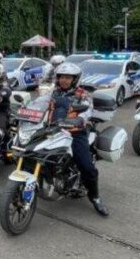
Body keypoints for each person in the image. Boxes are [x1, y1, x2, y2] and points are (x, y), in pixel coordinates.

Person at [49, 62, 108, 217]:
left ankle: (94, 196)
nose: (64, 80)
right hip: (52, 130)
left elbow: (87, 110)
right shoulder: (53, 92)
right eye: (61, 77)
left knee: (87, 167)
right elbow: (41, 104)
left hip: (75, 132)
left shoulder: (83, 95)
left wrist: (79, 120)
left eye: (68, 77)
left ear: (75, 79)